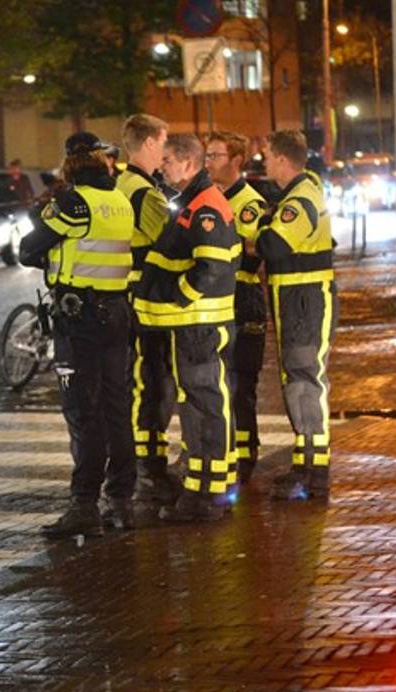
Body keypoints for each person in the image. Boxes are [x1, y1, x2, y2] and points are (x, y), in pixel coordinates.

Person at [19, 132, 137, 538]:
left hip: (81, 317)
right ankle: (121, 498)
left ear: (69, 164)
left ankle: (84, 504)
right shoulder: (119, 200)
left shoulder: (73, 203)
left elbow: (28, 248)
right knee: (116, 407)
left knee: (83, 412)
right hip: (117, 312)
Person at [133, 133, 240, 523]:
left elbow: (212, 266)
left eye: (167, 160)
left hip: (199, 325)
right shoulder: (194, 201)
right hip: (195, 325)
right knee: (200, 405)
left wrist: (179, 296)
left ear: (188, 163)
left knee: (203, 405)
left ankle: (207, 495)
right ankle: (205, 488)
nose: (162, 166)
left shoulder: (204, 206)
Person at [257, 130, 336, 502]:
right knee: (297, 381)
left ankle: (316, 470)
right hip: (297, 300)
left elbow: (273, 245)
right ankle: (305, 462)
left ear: (282, 159)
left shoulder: (300, 200)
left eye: (267, 156)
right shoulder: (299, 194)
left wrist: (258, 226)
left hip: (304, 301)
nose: (265, 163)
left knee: (305, 380)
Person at [115, 113, 177, 514]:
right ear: (150, 143)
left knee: (142, 380)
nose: (166, 153)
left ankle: (144, 463)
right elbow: (170, 241)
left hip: (128, 295)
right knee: (152, 381)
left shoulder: (122, 184)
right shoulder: (143, 192)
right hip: (146, 298)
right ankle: (149, 467)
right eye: (164, 143)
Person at [205, 131, 268, 483]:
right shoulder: (209, 198)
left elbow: (249, 252)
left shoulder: (249, 203)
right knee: (218, 381)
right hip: (217, 299)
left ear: (236, 161)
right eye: (207, 155)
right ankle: (226, 449)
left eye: (215, 155)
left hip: (243, 300)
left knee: (241, 384)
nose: (208, 162)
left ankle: (245, 455)